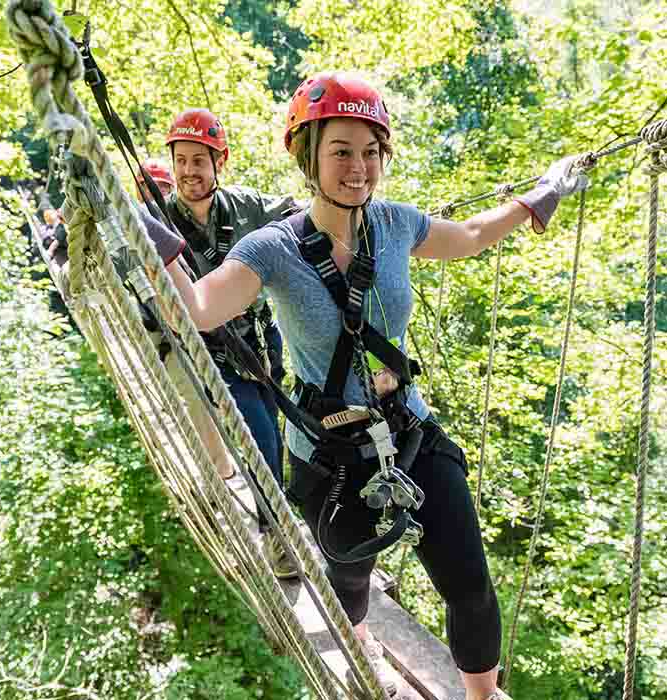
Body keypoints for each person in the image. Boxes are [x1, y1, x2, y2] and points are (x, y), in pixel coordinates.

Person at [175, 72, 588, 699]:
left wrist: (536, 200)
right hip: (328, 452)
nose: (359, 167)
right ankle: (360, 644)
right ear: (306, 154)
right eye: (341, 150)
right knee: (348, 577)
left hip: (407, 430)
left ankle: (481, 695)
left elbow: (472, 237)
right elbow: (201, 309)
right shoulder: (272, 249)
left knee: (470, 581)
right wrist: (152, 242)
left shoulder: (396, 225)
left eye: (371, 152)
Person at [163, 108, 301, 579]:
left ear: (218, 163)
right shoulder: (156, 222)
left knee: (277, 436)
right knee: (260, 438)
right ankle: (279, 539)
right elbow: (129, 263)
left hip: (263, 346)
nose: (188, 171)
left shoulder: (247, 208)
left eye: (198, 161)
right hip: (212, 353)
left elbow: (301, 216)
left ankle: (278, 516)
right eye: (180, 160)